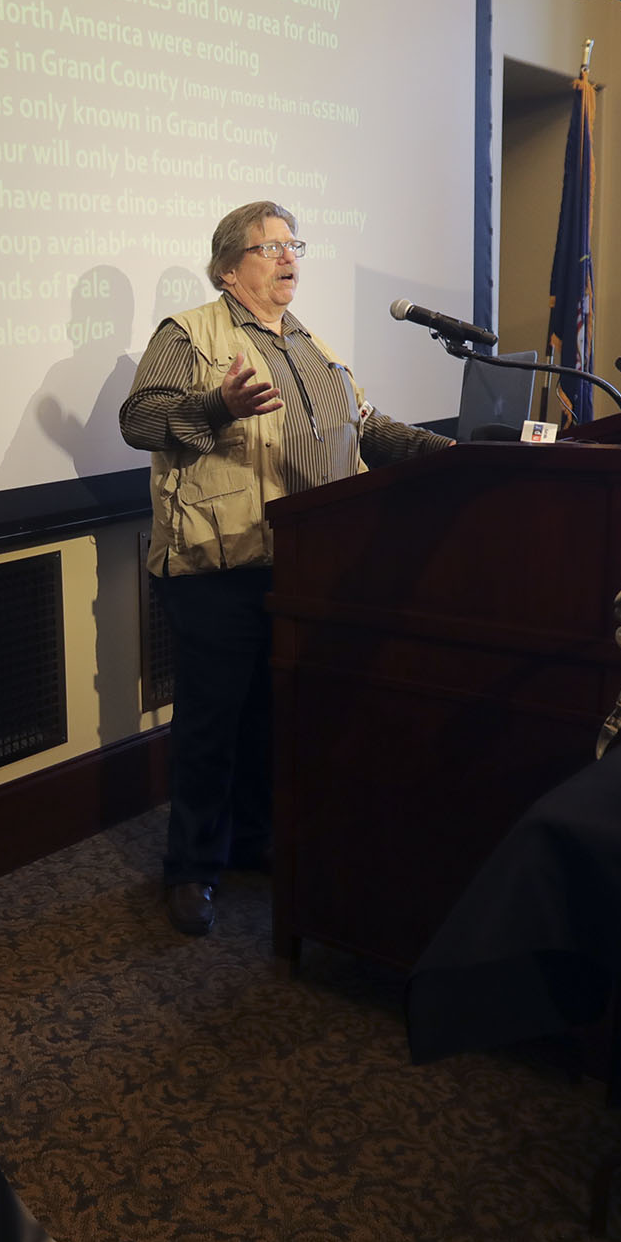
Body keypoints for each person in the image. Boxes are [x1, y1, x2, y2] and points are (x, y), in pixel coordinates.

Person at [119, 201, 452, 935]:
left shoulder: (311, 344)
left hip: (303, 565)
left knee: (275, 716)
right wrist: (217, 405)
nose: (287, 256)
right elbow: (139, 420)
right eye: (268, 247)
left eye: (292, 243)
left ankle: (253, 842)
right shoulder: (189, 333)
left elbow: (366, 427)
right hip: (217, 564)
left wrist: (456, 456)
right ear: (228, 269)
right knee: (212, 724)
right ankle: (192, 869)